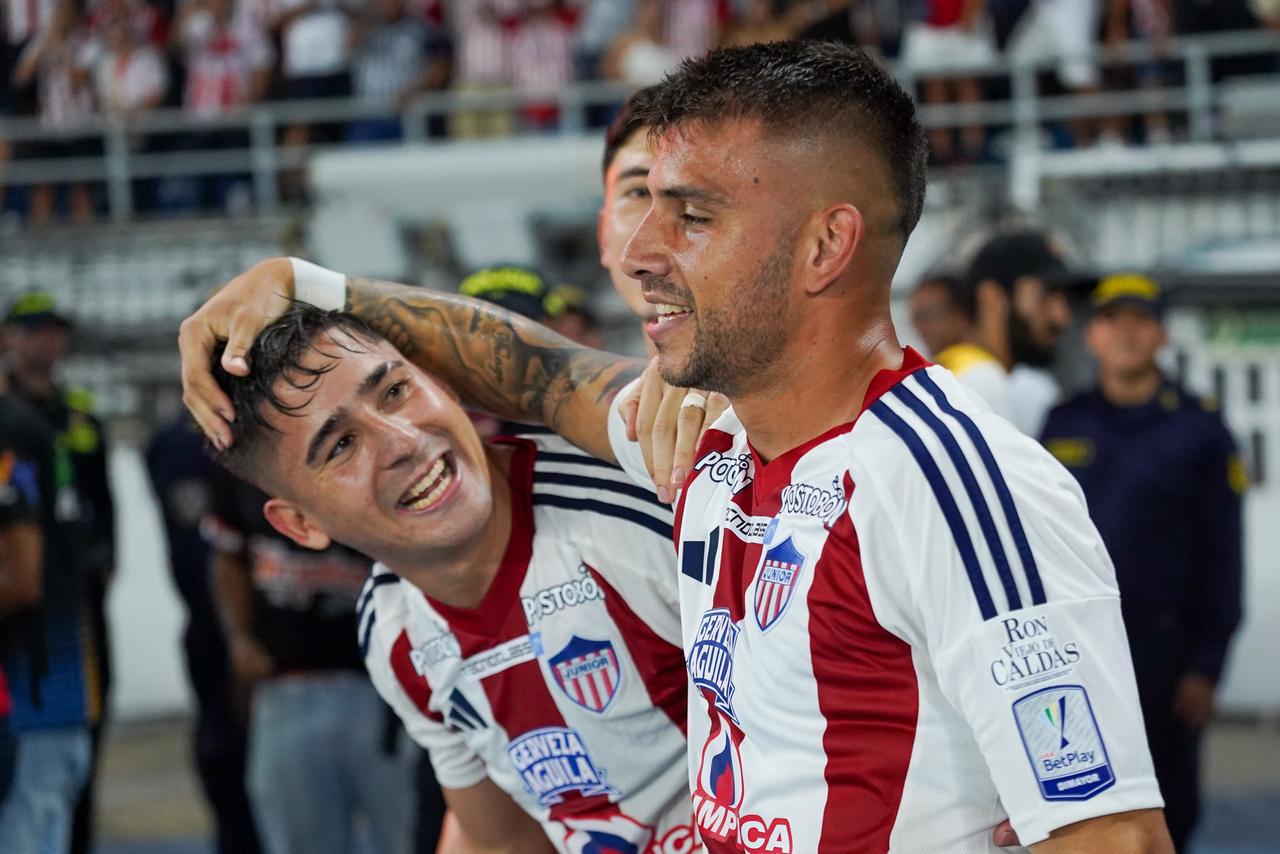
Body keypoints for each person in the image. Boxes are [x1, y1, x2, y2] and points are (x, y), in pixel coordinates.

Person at [182, 41, 1175, 853]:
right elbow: (532, 370)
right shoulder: (707, 441)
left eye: (692, 215)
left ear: (824, 247)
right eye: (645, 205)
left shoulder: (948, 480)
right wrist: (313, 287)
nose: (641, 251)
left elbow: (1111, 834)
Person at [204, 304, 695, 852]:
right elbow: (503, 841)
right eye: (341, 445)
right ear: (300, 523)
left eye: (394, 392)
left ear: (444, 382)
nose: (402, 441)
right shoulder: (393, 630)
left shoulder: (650, 514)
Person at [1039, 273, 1245, 852]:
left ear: (1160, 336)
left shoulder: (1199, 430)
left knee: (1167, 812)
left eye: (1139, 322)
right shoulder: (1064, 424)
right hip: (1074, 654)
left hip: (1165, 656)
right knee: (1076, 806)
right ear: (1094, 335)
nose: (1126, 334)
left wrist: (1208, 665)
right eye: (1112, 321)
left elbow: (1224, 555)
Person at [204, 464, 415, 854]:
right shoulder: (244, 457)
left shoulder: (369, 450)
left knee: (404, 836)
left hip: (386, 690)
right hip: (286, 686)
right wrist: (239, 641)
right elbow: (227, 554)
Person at [4, 294, 114, 854]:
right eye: (33, 331)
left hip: (55, 626)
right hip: (40, 630)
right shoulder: (21, 420)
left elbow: (101, 511)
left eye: (53, 331)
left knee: (49, 789)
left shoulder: (68, 418)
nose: (45, 342)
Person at [144, 414, 261, 854]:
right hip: (216, 627)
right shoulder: (179, 443)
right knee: (225, 756)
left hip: (280, 629)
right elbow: (194, 547)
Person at [961, 230, 1078, 436]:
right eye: (1045, 295)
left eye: (1065, 300)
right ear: (992, 298)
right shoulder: (980, 381)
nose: (1062, 317)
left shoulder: (963, 373)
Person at [907, 272, 1014, 422]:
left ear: (960, 315)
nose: (919, 328)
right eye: (915, 318)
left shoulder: (979, 371)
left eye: (928, 316)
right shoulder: (941, 367)